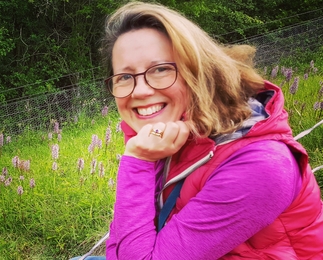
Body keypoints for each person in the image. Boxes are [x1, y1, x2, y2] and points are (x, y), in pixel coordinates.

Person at [72, 1, 323, 259]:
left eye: (160, 69)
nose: (140, 91)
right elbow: (123, 245)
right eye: (124, 77)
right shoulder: (170, 136)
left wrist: (138, 160)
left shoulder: (260, 165)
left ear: (200, 71)